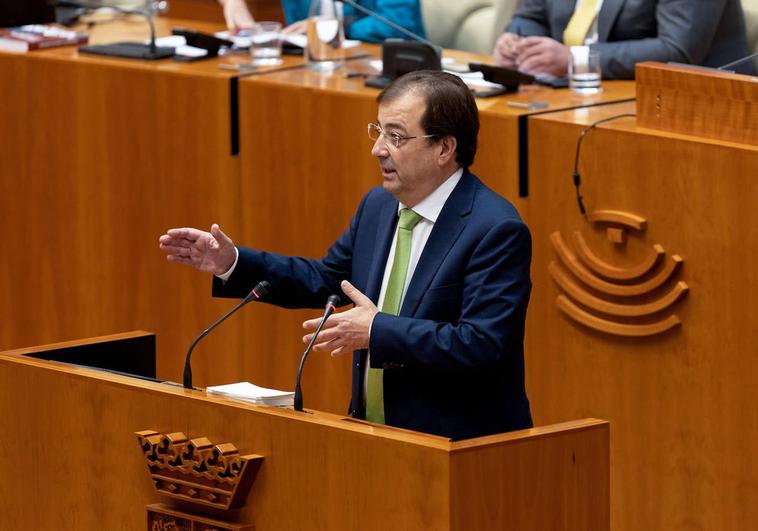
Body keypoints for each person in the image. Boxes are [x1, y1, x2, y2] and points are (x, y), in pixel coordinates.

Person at [159, 71, 532, 440]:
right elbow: (326, 281)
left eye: (396, 136)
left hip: (457, 449)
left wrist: (376, 329)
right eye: (378, 131)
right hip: (370, 435)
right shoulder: (378, 206)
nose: (378, 149)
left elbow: (481, 345)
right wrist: (232, 263)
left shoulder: (494, 229)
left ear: (444, 149)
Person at [493, 0, 756, 79]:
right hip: (569, 97)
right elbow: (530, 16)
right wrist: (517, 41)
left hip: (691, 107)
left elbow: (677, 50)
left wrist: (574, 59)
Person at [217, 0, 426, 43]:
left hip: (386, 69)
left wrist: (336, 25)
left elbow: (399, 22)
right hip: (308, 62)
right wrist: (232, 2)